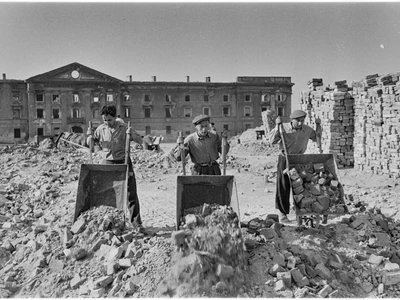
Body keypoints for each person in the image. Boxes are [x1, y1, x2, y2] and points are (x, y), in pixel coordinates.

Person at [86, 105, 144, 231]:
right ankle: (110, 224)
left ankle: (137, 224)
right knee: (108, 194)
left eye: (109, 120)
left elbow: (140, 141)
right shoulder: (101, 129)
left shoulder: (124, 128)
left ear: (115, 118)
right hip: (108, 163)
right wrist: (89, 137)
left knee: (130, 193)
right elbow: (92, 144)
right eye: (104, 120)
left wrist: (132, 133)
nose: (107, 123)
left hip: (124, 162)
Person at [269, 109, 320, 223]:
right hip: (285, 158)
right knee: (283, 186)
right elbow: (271, 140)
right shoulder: (283, 128)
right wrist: (277, 127)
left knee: (300, 187)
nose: (301, 123)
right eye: (298, 121)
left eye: (302, 120)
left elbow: (317, 138)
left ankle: (300, 211)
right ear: (292, 120)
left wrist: (318, 126)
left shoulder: (307, 130)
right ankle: (283, 214)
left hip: (299, 160)